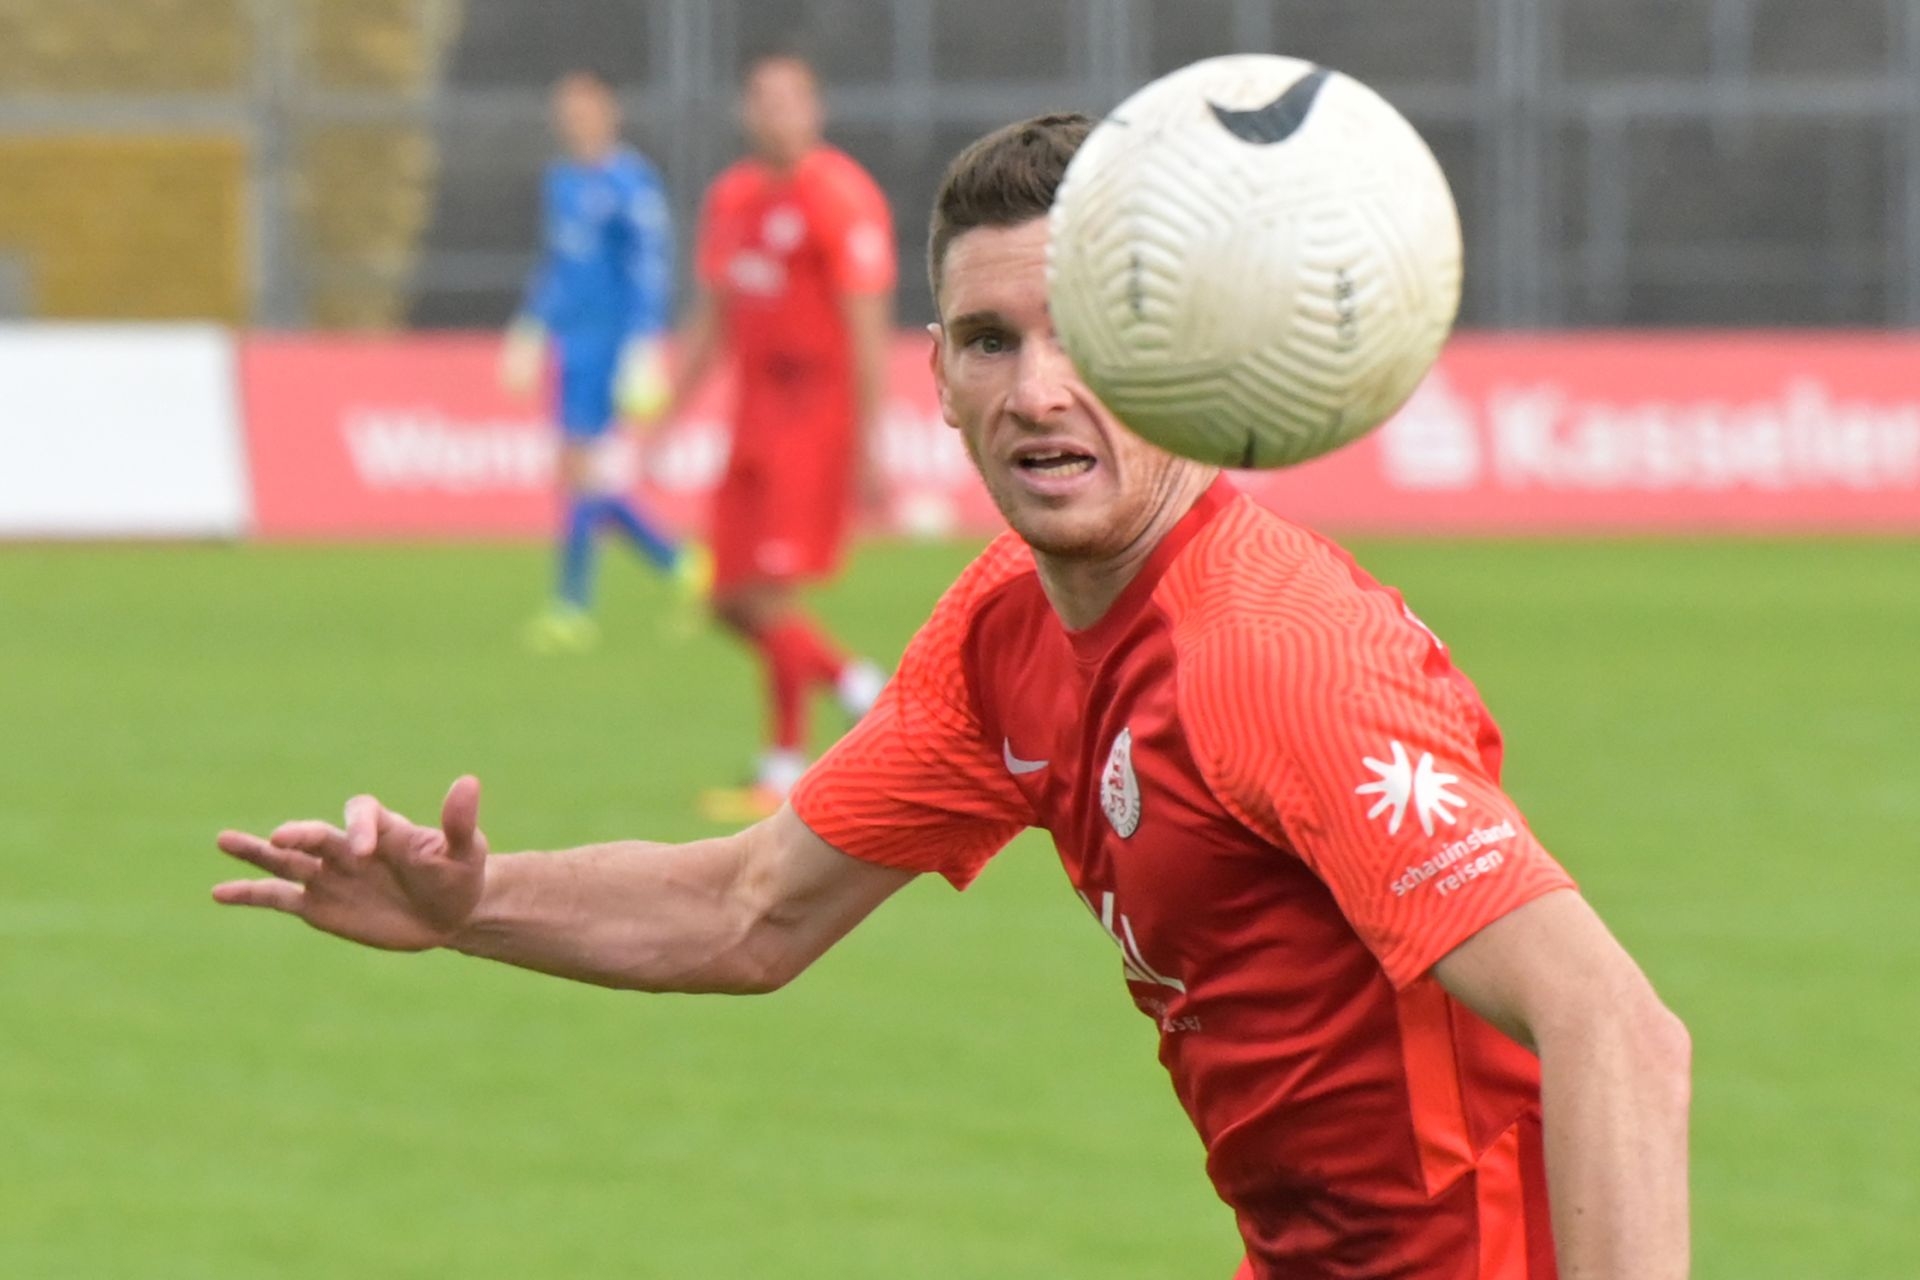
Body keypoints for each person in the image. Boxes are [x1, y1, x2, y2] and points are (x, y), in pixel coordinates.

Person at [214, 114, 1691, 1278]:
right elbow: (748, 910)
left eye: (1090, 337)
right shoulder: (1005, 629)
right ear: (935, 375)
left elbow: (1616, 1029)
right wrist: (471, 907)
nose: (1038, 390)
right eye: (993, 341)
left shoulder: (1271, 659)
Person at [648, 54, 890, 814]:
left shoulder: (841, 196)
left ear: (815, 109)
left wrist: (870, 442)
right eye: (763, 99)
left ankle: (786, 765)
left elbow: (867, 327)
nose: (777, 113)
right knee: (727, 596)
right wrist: (666, 418)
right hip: (751, 417)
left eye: (791, 99)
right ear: (745, 112)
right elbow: (712, 319)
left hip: (812, 413)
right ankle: (859, 692)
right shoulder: (733, 198)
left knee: (769, 595)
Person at [503, 70, 706, 654]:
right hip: (572, 344)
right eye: (566, 113)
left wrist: (642, 344)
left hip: (612, 346)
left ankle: (573, 606)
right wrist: (531, 326)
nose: (574, 123)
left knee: (580, 472)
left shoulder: (630, 182)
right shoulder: (562, 181)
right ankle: (683, 565)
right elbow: (557, 264)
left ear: (608, 114)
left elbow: (649, 266)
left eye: (584, 112)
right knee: (582, 475)